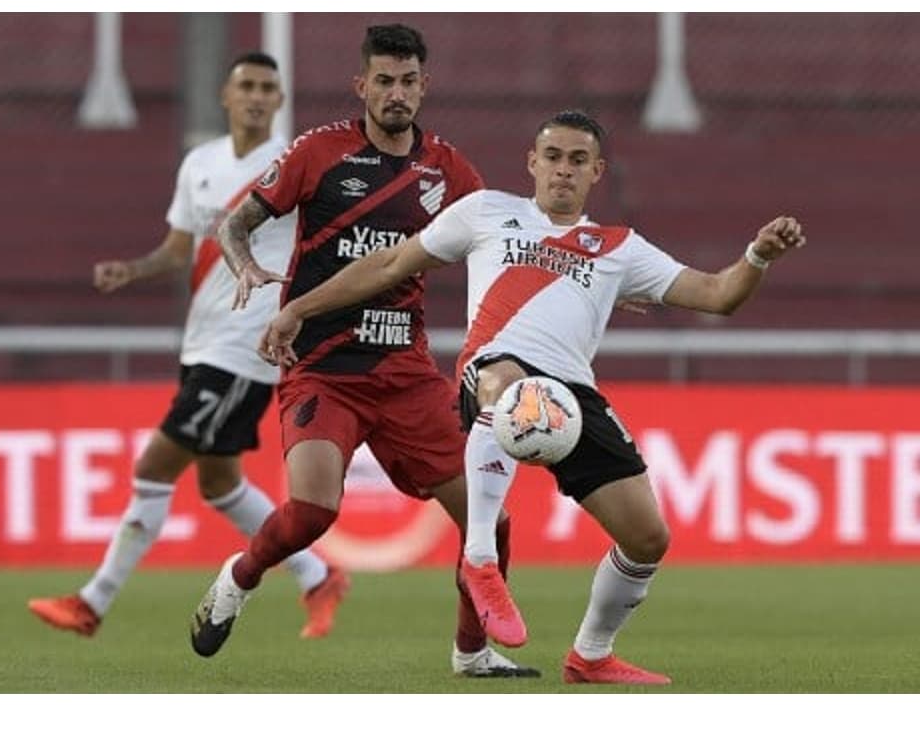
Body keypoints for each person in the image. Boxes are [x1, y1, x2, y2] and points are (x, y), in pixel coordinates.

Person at [258, 109, 808, 685]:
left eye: (577, 161)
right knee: (508, 383)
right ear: (532, 163)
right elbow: (392, 262)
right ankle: (480, 558)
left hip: (571, 398)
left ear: (597, 171)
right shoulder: (486, 212)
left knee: (648, 538)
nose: (562, 171)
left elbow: (718, 295)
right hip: (493, 371)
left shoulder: (618, 248)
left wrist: (758, 256)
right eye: (552, 157)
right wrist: (299, 307)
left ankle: (591, 655)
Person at [188, 24, 539, 679]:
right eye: (384, 81)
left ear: (423, 86)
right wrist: (242, 265)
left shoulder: (450, 171)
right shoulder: (316, 153)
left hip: (406, 374)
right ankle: (239, 578)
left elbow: (511, 238)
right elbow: (235, 223)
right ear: (363, 85)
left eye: (408, 82)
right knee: (314, 512)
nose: (397, 93)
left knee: (492, 521)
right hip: (323, 367)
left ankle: (471, 653)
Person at [28, 52, 348, 642]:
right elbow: (178, 252)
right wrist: (132, 269)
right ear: (225, 97)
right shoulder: (199, 163)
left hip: (246, 343)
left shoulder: (293, 164)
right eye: (246, 86)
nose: (255, 96)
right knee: (218, 482)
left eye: (267, 88)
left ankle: (92, 602)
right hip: (201, 341)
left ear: (279, 102)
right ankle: (318, 574)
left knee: (155, 465)